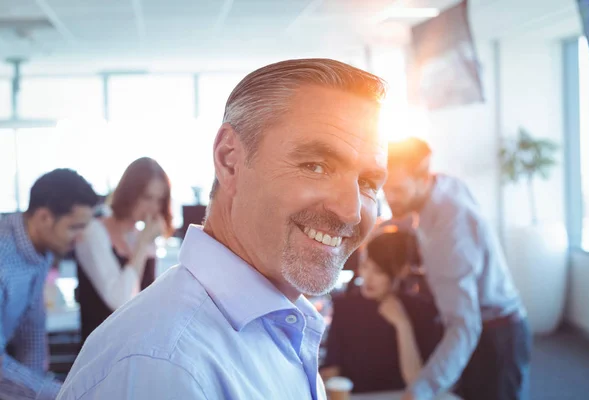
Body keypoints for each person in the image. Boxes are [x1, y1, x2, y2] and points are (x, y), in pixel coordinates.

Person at [57, 59, 389, 400]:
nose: (350, 210)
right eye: (316, 166)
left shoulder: (276, 324)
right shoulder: (166, 368)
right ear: (230, 160)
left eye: (367, 182)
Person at [383, 137, 532, 400]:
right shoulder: (441, 186)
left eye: (397, 190)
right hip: (487, 328)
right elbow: (419, 220)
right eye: (385, 189)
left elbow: (464, 325)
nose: (389, 197)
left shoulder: (450, 232)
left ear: (422, 178)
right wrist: (384, 226)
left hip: (494, 338)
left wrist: (419, 390)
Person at [0, 169, 97, 400]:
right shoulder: (4, 258)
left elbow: (31, 328)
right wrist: (60, 394)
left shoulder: (39, 250)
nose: (80, 237)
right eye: (74, 227)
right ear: (44, 217)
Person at [320, 228, 444, 394]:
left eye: (378, 271)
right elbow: (331, 370)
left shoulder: (422, 310)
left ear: (401, 271)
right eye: (364, 267)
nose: (367, 278)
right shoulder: (345, 307)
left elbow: (416, 383)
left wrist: (403, 325)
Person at [74, 157, 172, 343]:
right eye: (147, 197)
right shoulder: (94, 233)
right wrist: (142, 245)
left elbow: (152, 299)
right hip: (103, 350)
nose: (153, 207)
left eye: (159, 200)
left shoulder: (139, 235)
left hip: (138, 346)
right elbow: (121, 300)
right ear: (130, 193)